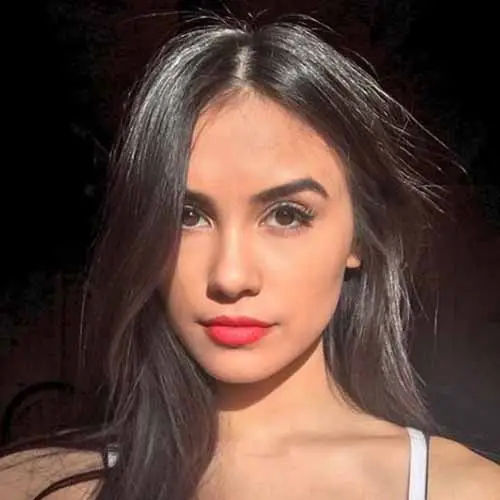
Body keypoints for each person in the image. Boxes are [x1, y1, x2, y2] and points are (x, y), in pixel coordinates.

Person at [1, 16, 499, 500]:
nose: (230, 276)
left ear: (360, 239)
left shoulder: (465, 489)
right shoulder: (26, 484)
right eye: (187, 215)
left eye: (286, 215)